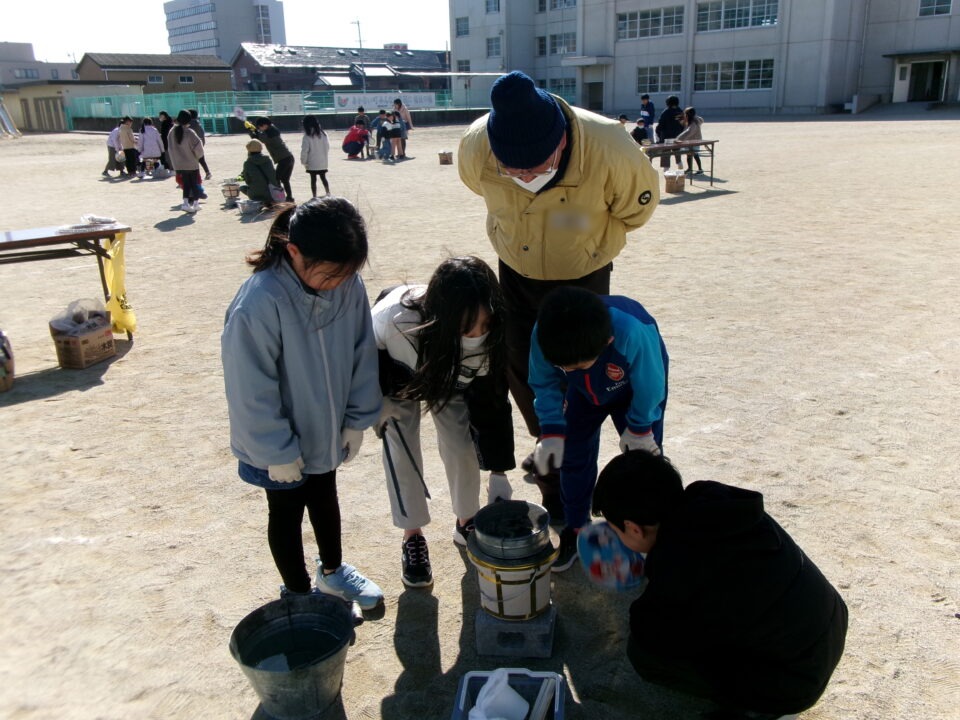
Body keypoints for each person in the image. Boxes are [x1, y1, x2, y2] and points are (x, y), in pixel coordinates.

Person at [458, 70, 660, 522]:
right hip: (516, 274)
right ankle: (555, 471)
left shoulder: (609, 146)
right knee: (525, 373)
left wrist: (576, 231)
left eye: (536, 166)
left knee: (586, 376)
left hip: (583, 278)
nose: (525, 176)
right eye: (513, 169)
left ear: (563, 141)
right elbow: (477, 185)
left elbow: (636, 209)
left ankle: (588, 466)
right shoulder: (475, 145)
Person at [591, 451, 848, 720]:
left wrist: (643, 576)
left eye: (616, 531)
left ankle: (758, 711)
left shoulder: (680, 562)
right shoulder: (717, 505)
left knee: (645, 655)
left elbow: (648, 630)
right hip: (831, 626)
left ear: (633, 528)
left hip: (797, 682)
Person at [221, 197, 384, 609]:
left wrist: (356, 419)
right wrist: (274, 450)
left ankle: (333, 572)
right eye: (329, 274)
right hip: (279, 441)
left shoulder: (348, 285)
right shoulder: (260, 301)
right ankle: (297, 593)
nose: (337, 283)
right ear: (293, 252)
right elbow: (249, 387)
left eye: (346, 274)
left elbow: (362, 350)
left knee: (325, 494)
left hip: (326, 429)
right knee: (286, 510)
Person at [372, 257, 515, 588]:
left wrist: (498, 472)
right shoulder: (396, 321)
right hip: (397, 374)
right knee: (401, 443)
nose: (477, 335)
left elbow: (492, 401)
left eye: (485, 324)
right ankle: (412, 535)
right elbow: (361, 359)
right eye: (467, 328)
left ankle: (466, 519)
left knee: (461, 443)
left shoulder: (496, 332)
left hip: (451, 379)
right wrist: (373, 403)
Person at [528, 286, 668, 570]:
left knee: (644, 466)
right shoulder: (545, 332)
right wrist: (552, 427)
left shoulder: (632, 330)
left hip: (634, 390)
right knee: (571, 453)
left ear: (608, 341)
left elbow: (651, 385)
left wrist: (640, 427)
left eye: (580, 365)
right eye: (565, 367)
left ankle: (650, 536)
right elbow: (543, 382)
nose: (572, 370)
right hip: (582, 393)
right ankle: (577, 527)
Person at [245, 116, 295, 202]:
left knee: (276, 179)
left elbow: (257, 139)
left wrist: (250, 130)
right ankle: (289, 197)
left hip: (284, 159)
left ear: (264, 125)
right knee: (285, 179)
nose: (259, 129)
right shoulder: (272, 129)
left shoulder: (269, 133)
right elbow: (260, 136)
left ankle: (280, 198)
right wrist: (254, 130)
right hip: (289, 157)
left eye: (260, 127)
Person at [166, 110, 205, 213]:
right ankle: (196, 204)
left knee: (186, 184)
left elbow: (170, 149)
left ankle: (185, 203)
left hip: (179, 164)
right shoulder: (189, 132)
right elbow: (198, 147)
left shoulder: (171, 132)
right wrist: (198, 157)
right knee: (194, 183)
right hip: (191, 163)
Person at [240, 139, 278, 206]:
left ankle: (259, 201)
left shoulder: (247, 163)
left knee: (242, 187)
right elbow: (273, 175)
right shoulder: (268, 160)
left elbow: (247, 180)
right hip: (270, 193)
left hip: (254, 195)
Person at [300, 115, 330, 196]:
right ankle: (328, 193)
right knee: (323, 178)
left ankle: (314, 196)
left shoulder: (307, 136)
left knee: (313, 180)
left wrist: (303, 161)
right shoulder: (323, 134)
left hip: (312, 162)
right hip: (323, 162)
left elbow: (304, 151)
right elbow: (327, 147)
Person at [655, 95, 684, 170]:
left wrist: (657, 132)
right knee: (677, 151)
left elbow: (661, 124)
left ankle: (666, 170)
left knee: (666, 153)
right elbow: (683, 124)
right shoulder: (680, 111)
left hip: (667, 136)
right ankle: (679, 164)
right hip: (678, 136)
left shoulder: (666, 112)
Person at [677, 106, 704, 174]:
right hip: (689, 141)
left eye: (685, 113)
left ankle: (700, 169)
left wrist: (679, 138)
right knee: (689, 155)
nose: (684, 115)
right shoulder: (691, 120)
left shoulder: (694, 122)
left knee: (695, 154)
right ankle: (690, 168)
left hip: (695, 141)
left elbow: (688, 132)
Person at [189, 109, 213, 180]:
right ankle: (208, 172)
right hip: (199, 145)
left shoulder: (189, 124)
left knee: (193, 162)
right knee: (202, 160)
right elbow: (202, 135)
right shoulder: (198, 123)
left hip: (191, 146)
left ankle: (196, 176)